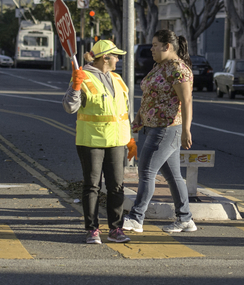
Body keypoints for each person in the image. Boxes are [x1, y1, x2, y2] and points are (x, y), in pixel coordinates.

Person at [123, 29, 197, 235]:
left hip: (167, 128)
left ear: (167, 47)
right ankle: (185, 219)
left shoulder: (178, 69)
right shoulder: (159, 67)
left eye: (155, 45)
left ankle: (136, 218)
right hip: (152, 127)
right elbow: (150, 94)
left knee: (146, 171)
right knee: (173, 177)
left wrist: (186, 130)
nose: (151, 49)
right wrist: (139, 115)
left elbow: (187, 100)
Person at [63, 39, 132, 244]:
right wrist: (75, 86)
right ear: (105, 58)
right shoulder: (82, 77)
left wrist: (130, 139)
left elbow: (123, 112)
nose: (118, 60)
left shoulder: (118, 79)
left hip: (117, 141)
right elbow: (69, 107)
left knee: (116, 186)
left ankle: (115, 229)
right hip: (91, 140)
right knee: (92, 186)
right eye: (115, 56)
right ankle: (92, 230)